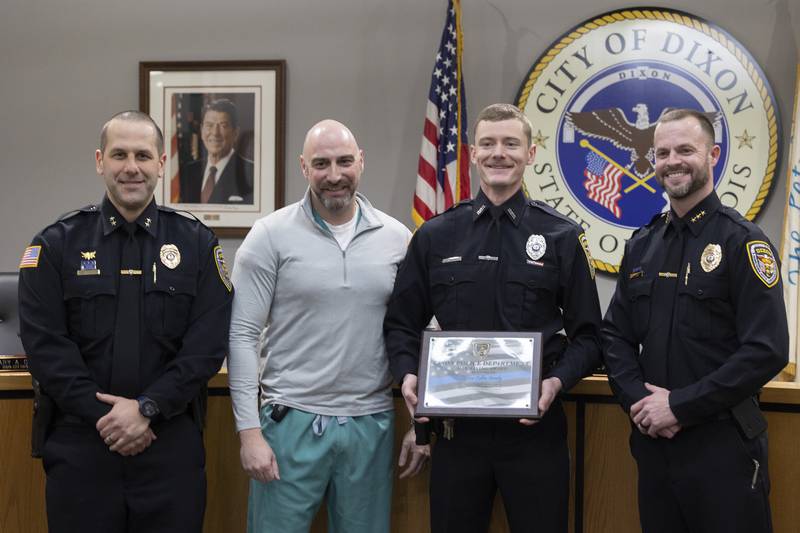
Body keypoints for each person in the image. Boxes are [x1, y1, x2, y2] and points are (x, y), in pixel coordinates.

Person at [384, 103, 602, 533]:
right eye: (488, 143)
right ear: (472, 153)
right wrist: (408, 375)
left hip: (534, 433)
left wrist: (555, 384)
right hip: (456, 436)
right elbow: (401, 324)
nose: (498, 153)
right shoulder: (435, 234)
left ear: (531, 153)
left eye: (510, 143)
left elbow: (590, 336)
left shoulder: (562, 236)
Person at [18, 110, 233, 532]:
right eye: (119, 155)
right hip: (82, 446)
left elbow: (206, 346)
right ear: (100, 161)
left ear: (161, 163)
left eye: (142, 154)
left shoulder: (196, 243)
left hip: (168, 445)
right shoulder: (56, 244)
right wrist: (111, 419)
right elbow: (45, 347)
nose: (131, 167)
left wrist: (148, 409)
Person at [228, 119, 429, 533]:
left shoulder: (397, 238)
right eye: (321, 163)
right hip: (288, 424)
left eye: (343, 162)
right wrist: (249, 433)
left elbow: (421, 332)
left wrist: (421, 421)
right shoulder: (269, 235)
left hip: (369, 424)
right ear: (304, 167)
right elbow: (243, 335)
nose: (334, 175)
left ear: (361, 162)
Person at [602, 108, 788, 533]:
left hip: (722, 447)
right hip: (654, 447)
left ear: (713, 154)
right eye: (662, 152)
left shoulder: (743, 242)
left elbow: (767, 350)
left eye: (685, 149)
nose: (673, 161)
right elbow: (614, 335)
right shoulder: (643, 245)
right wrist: (641, 405)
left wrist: (680, 406)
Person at [179, 98, 255, 204]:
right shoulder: (188, 171)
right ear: (201, 130)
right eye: (209, 125)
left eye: (223, 126)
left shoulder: (251, 172)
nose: (215, 133)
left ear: (236, 133)